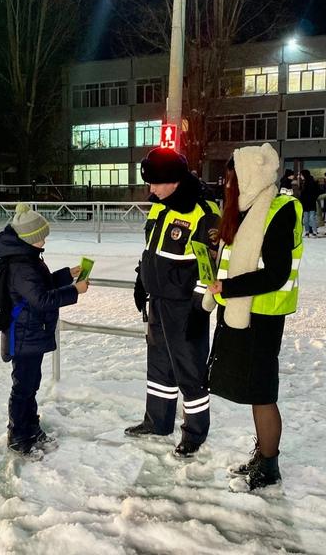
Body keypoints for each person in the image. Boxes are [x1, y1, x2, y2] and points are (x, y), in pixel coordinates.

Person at [202, 143, 303, 491]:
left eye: (232, 178)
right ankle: (262, 455)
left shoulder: (278, 211)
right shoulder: (247, 210)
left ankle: (269, 465)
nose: (227, 185)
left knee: (262, 392)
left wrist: (228, 287)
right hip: (243, 312)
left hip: (263, 316)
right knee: (253, 389)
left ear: (249, 177)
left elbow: (275, 274)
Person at [129, 146, 221, 458]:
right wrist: (142, 280)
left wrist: (199, 306)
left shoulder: (203, 211)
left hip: (185, 306)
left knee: (189, 369)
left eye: (155, 183)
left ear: (174, 180)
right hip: (158, 300)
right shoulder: (160, 205)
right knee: (159, 366)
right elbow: (151, 249)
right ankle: (157, 421)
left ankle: (194, 433)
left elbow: (210, 265)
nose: (151, 190)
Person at [0, 203, 89, 457]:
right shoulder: (22, 265)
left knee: (30, 384)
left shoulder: (27, 258)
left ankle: (30, 428)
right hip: (23, 335)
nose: (44, 241)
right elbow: (41, 299)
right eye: (40, 237)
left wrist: (67, 274)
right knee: (23, 387)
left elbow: (40, 285)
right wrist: (74, 291)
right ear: (27, 238)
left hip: (30, 332)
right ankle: (18, 435)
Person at [298, 169, 320, 237]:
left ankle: (314, 231)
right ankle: (307, 231)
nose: (300, 176)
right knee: (306, 219)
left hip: (311, 203)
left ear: (305, 175)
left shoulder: (312, 182)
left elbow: (317, 191)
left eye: (301, 175)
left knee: (311, 218)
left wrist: (313, 198)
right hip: (305, 203)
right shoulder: (303, 182)